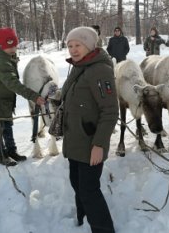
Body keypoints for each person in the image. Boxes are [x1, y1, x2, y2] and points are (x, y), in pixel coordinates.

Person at [62, 26, 119, 233]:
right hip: (75, 141)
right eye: (70, 46)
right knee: (77, 184)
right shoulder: (79, 66)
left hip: (90, 143)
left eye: (78, 45)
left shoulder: (100, 70)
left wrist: (99, 145)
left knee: (89, 190)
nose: (73, 50)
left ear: (89, 45)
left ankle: (103, 229)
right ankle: (82, 221)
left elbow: (110, 111)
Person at [0, 27, 46, 166]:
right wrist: (33, 96)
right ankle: (1, 156)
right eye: (8, 47)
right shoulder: (1, 62)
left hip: (3, 99)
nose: (13, 49)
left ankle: (11, 151)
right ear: (0, 46)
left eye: (14, 46)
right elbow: (13, 83)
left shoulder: (6, 56)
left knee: (8, 125)